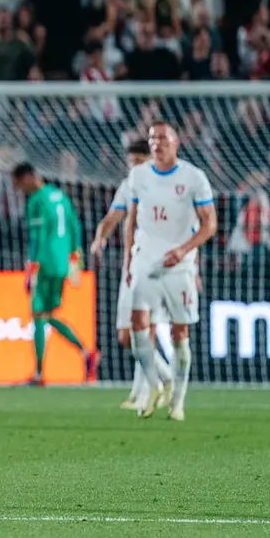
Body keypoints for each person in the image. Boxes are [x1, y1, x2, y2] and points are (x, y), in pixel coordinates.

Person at [126, 122, 219, 421]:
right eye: (152, 139)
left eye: (163, 138)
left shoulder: (193, 177)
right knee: (137, 324)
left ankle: (178, 401)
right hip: (146, 260)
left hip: (179, 264)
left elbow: (210, 224)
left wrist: (184, 249)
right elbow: (131, 220)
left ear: (176, 142)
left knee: (180, 333)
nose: (157, 144)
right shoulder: (138, 176)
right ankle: (155, 386)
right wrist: (129, 259)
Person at [90, 140, 173, 411]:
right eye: (131, 164)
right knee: (127, 337)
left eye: (140, 162)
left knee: (142, 330)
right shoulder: (129, 186)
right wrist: (100, 238)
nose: (135, 168)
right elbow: (113, 216)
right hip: (134, 264)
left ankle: (146, 391)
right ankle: (163, 377)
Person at [12, 164, 97, 386]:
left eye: (19, 184)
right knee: (48, 315)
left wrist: (31, 269)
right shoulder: (60, 195)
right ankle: (87, 354)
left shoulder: (36, 200)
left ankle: (39, 373)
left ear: (30, 178)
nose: (18, 189)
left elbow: (37, 237)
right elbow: (75, 226)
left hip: (45, 261)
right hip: (63, 263)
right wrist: (76, 257)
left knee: (38, 314)